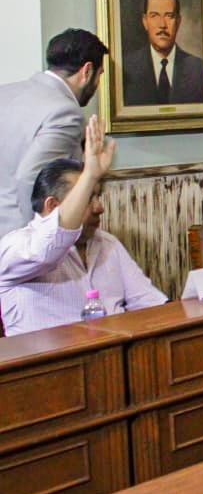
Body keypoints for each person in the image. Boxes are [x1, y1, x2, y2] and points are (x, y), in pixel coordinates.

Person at [0, 116, 167, 336]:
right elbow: (51, 246)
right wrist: (89, 175)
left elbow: (149, 303)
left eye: (98, 196)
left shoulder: (106, 243)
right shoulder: (16, 247)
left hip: (116, 350)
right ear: (52, 206)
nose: (100, 208)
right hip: (55, 357)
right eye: (88, 198)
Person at [0, 30, 107, 240]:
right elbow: (29, 177)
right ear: (87, 71)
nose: (97, 84)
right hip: (15, 242)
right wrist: (37, 243)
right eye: (100, 75)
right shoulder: (65, 112)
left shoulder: (5, 93)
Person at [122, 0, 203, 106]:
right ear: (145, 21)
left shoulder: (199, 70)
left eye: (169, 16)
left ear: (178, 22)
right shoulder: (126, 69)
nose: (162, 24)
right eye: (154, 16)